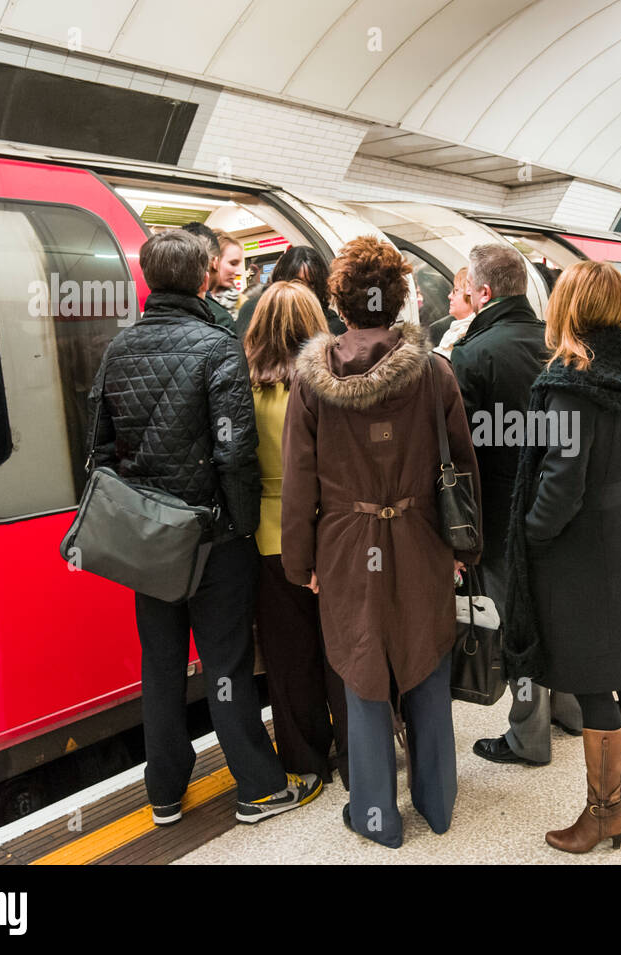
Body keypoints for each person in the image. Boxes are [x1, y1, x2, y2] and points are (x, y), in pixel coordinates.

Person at [90, 230, 315, 826]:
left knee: (160, 666)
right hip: (214, 536)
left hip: (147, 540)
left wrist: (140, 514)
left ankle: (163, 791)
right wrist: (240, 526)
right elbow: (235, 453)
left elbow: (100, 451)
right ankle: (258, 788)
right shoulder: (218, 347)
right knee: (225, 664)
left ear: (148, 281)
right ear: (201, 278)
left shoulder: (118, 350)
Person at [280, 236, 481, 848]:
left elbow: (298, 481)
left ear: (339, 304)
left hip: (344, 537)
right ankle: (438, 802)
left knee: (360, 667)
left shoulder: (309, 383)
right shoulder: (435, 371)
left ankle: (376, 815)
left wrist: (301, 560)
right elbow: (463, 467)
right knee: (425, 656)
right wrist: (464, 549)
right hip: (421, 532)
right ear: (400, 304)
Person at [501, 261, 621, 854]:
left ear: (567, 308)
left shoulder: (569, 382)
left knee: (594, 676)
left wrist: (533, 536)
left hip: (577, 545)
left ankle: (604, 813)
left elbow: (560, 482)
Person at [452, 244, 584, 766]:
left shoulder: (473, 353)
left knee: (515, 625)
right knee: (557, 613)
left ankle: (528, 736)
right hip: (558, 509)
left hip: (502, 514)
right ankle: (571, 710)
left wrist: (462, 532)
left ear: (484, 293)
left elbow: (463, 453)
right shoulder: (559, 344)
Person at [245, 281, 349, 790]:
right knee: (344, 650)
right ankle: (356, 752)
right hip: (332, 533)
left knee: (289, 660)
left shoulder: (244, 388)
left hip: (270, 538)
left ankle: (307, 759)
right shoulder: (332, 385)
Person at [235, 246, 347, 342]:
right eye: (297, 282)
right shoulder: (255, 311)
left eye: (312, 284)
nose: (304, 291)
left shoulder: (332, 325)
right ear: (281, 280)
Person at [180, 221, 242, 332]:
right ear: (215, 261)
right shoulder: (221, 318)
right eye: (233, 263)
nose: (238, 272)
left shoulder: (157, 309)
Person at [429, 267, 476, 357]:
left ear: (471, 294)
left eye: (456, 290)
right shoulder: (455, 331)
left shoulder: (468, 335)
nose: (450, 296)